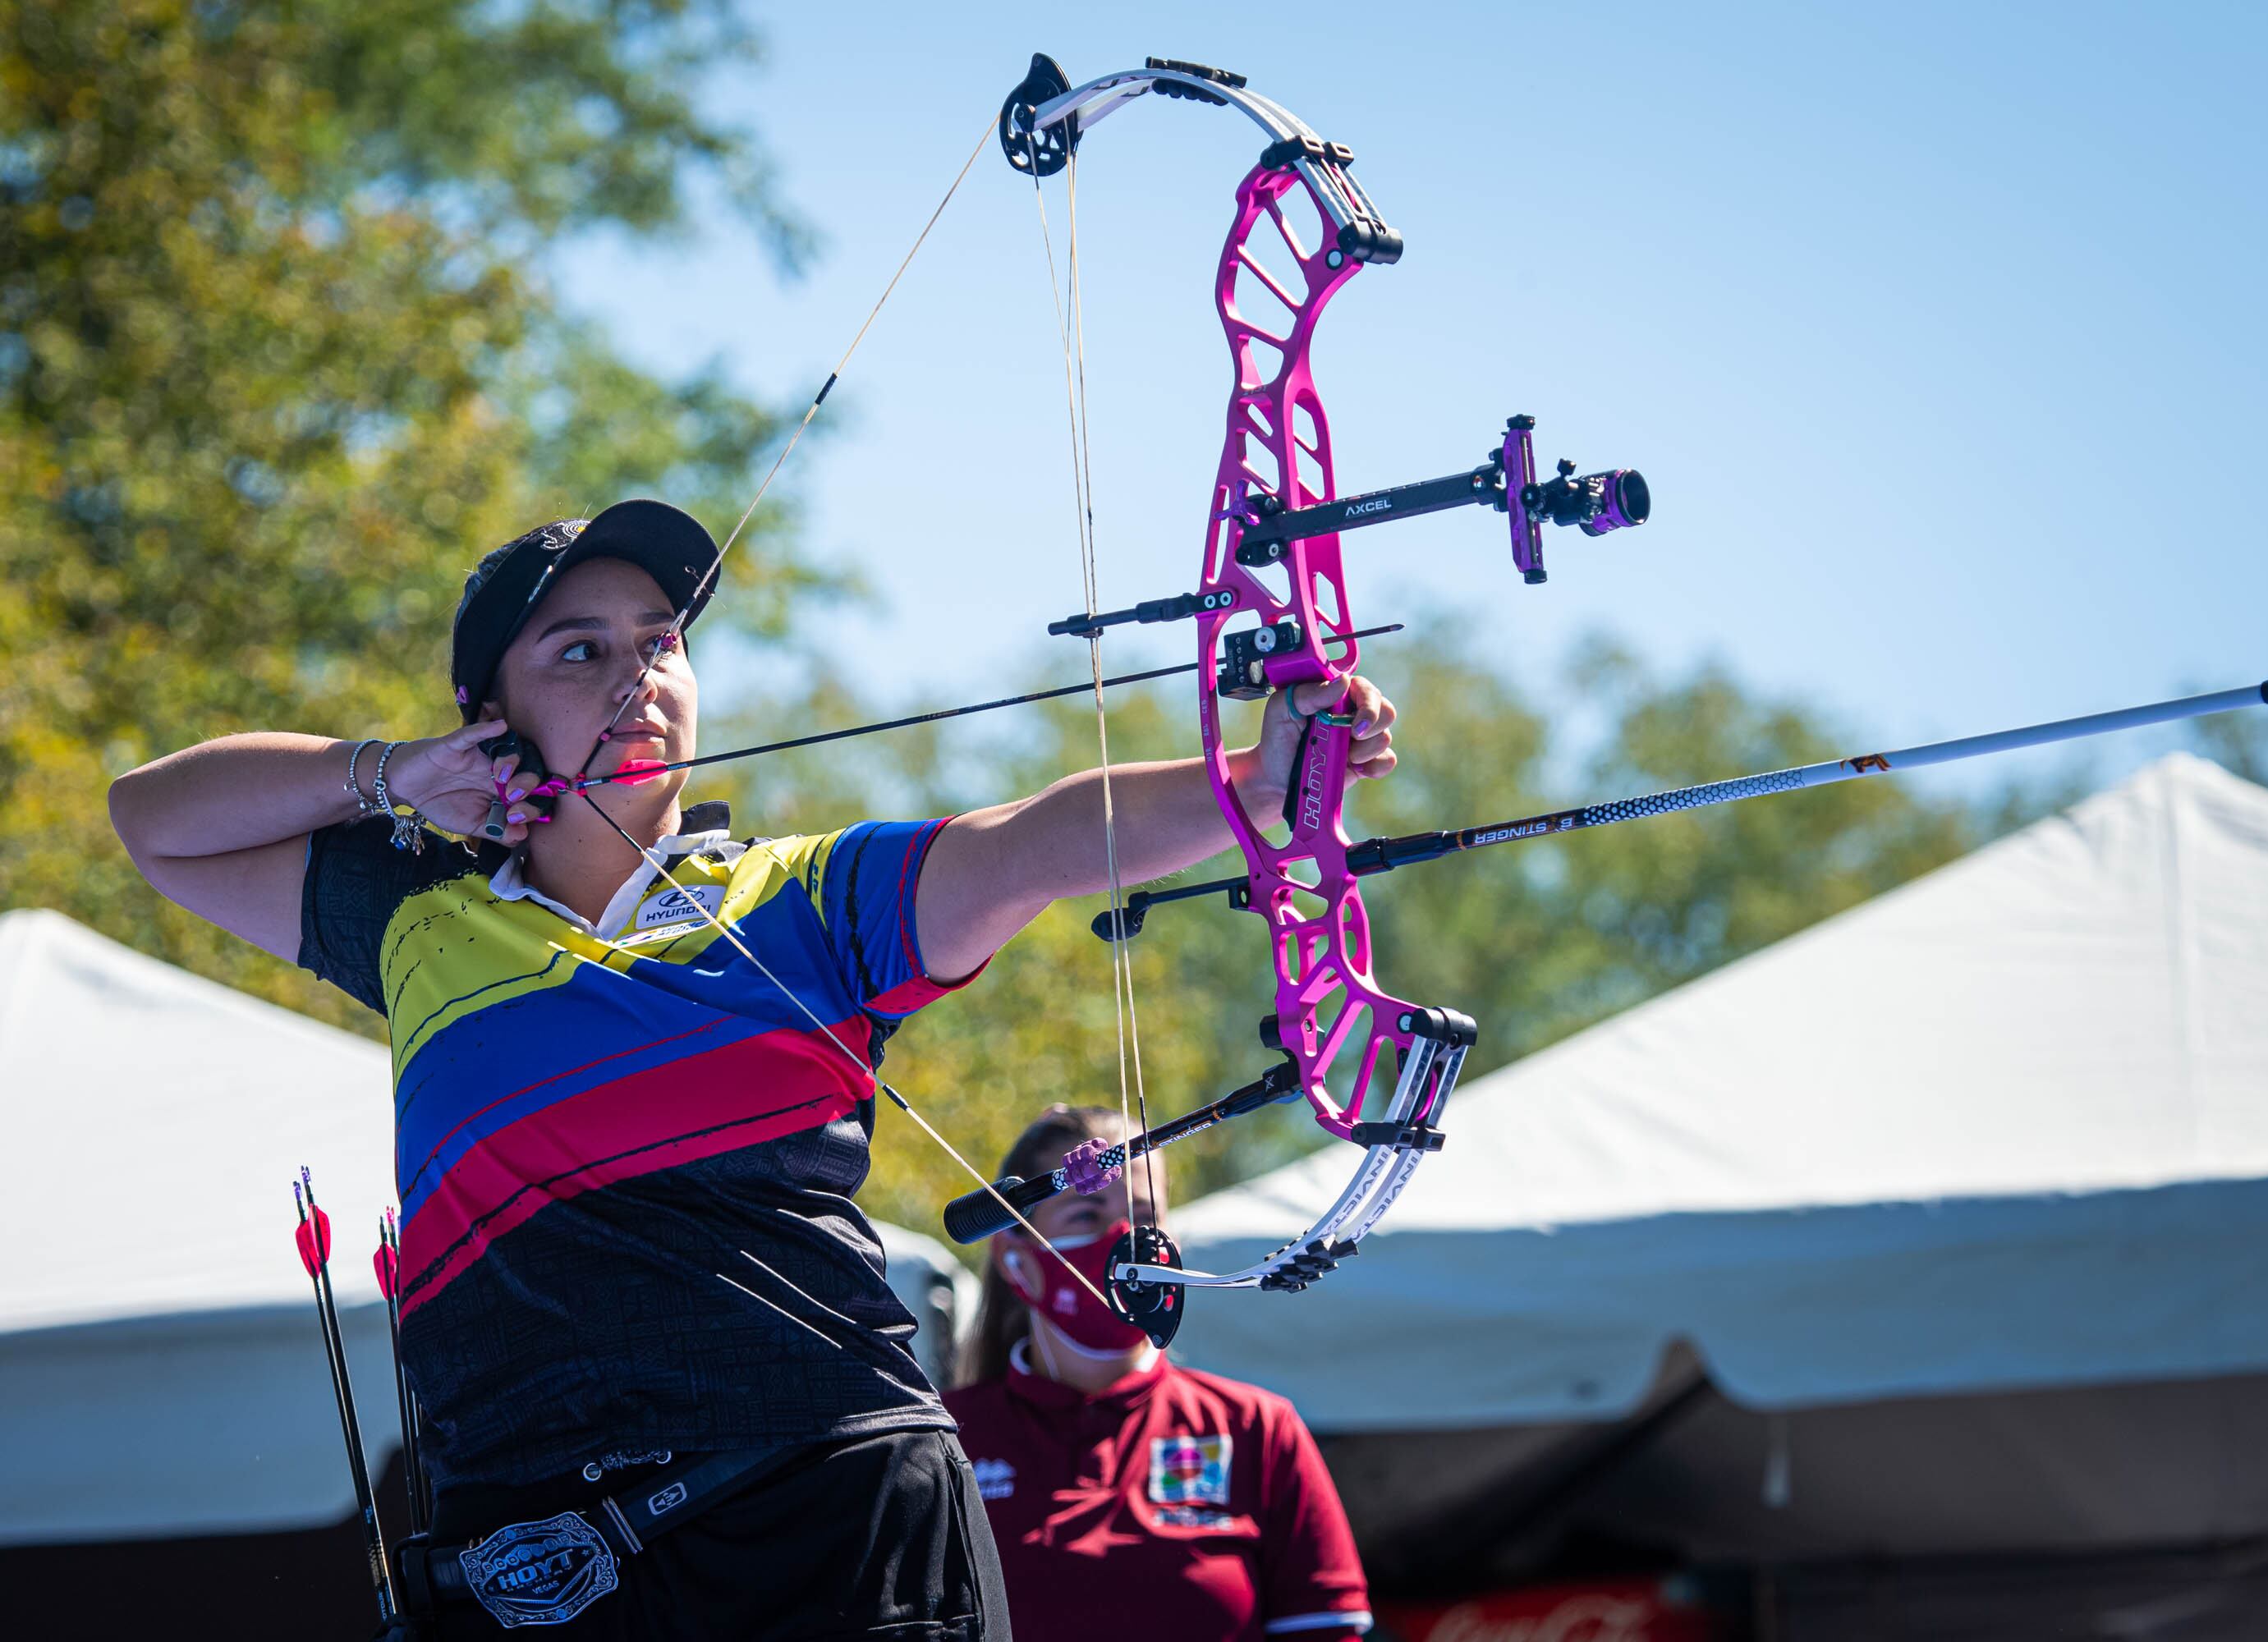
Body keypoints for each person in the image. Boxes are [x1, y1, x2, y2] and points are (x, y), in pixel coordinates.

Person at [106, 500, 1398, 1640]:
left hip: (823, 1509)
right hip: (538, 1548)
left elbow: (1029, 843)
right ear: (486, 720)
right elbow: (153, 822)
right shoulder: (417, 919)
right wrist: (389, 777)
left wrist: (1255, 781)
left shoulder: (801, 894)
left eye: (661, 643)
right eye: (579, 650)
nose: (636, 677)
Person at [943, 1104, 1375, 1642]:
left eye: (1146, 1218)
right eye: (1087, 1216)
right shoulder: (945, 1442)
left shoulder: (1256, 1428)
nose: (1127, 1240)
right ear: (1016, 1260)